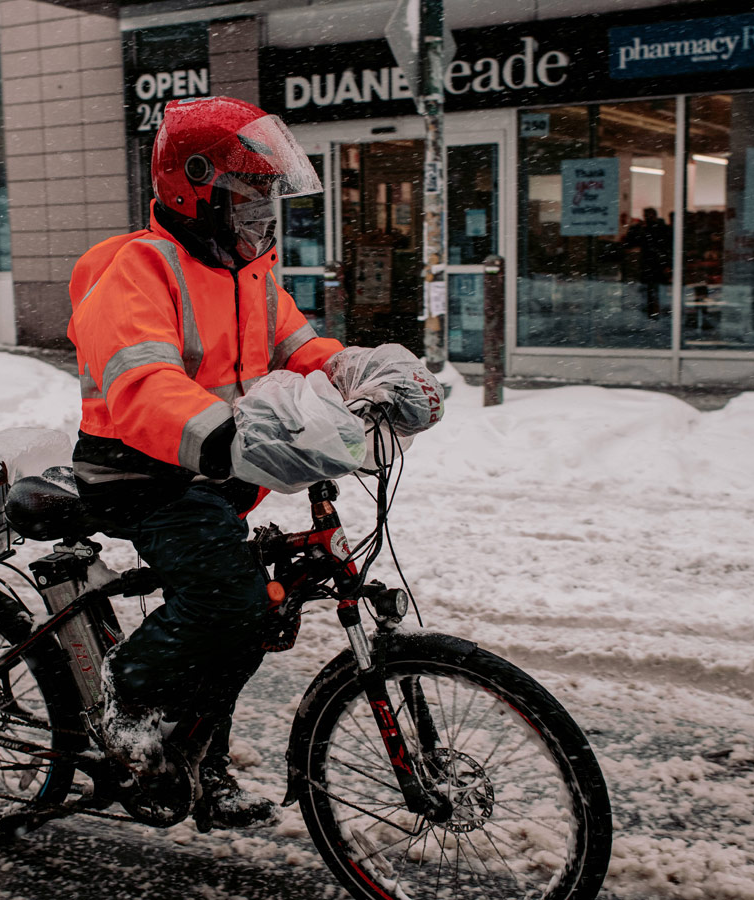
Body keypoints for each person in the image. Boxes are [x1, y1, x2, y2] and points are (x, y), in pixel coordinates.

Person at [65, 96, 444, 832]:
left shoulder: (247, 273)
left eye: (268, 201)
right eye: (247, 201)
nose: (262, 219)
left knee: (256, 618)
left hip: (215, 467)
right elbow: (143, 386)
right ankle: (124, 702)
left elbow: (301, 350)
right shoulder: (141, 271)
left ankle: (198, 767)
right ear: (196, 189)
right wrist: (228, 436)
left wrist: (365, 374)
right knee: (230, 604)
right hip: (139, 469)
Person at [622, 207, 672, 320]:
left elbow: (665, 246)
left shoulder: (657, 229)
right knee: (652, 290)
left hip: (655, 263)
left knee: (655, 290)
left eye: (648, 215)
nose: (647, 218)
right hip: (651, 263)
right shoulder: (648, 229)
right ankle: (654, 314)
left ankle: (654, 314)